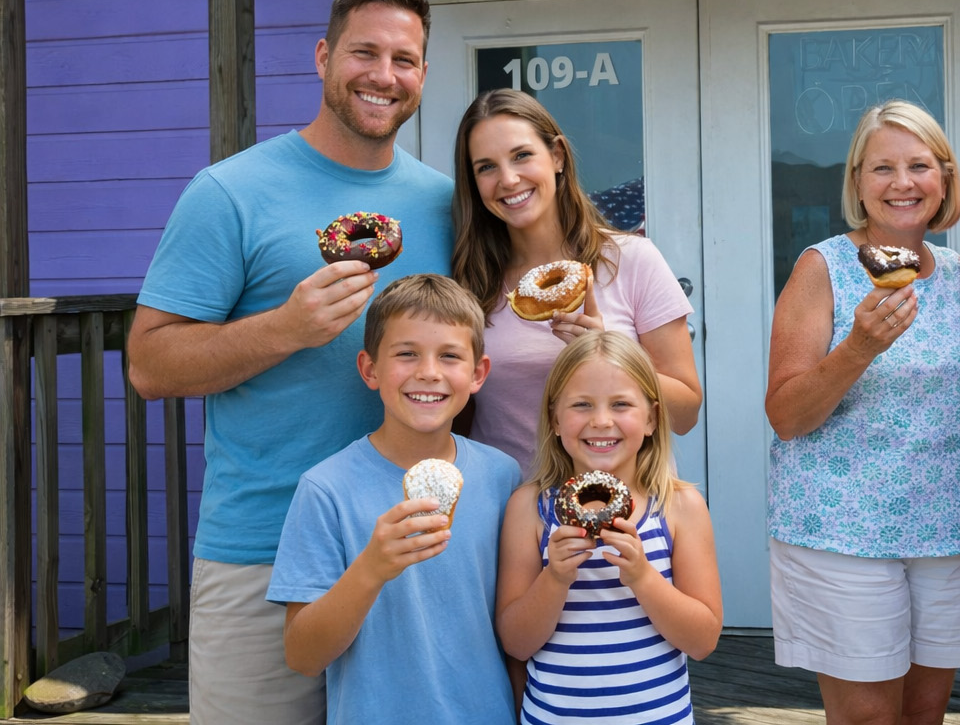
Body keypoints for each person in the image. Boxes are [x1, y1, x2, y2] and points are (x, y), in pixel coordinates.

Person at [126, 0, 453, 724]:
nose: (383, 75)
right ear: (321, 57)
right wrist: (287, 328)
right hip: (263, 550)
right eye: (364, 52)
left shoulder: (446, 202)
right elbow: (148, 366)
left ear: (424, 76)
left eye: (404, 59)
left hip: (414, 542)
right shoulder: (229, 192)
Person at [765, 100, 960, 725]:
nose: (901, 183)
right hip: (843, 533)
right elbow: (785, 413)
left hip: (945, 529)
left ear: (943, 178)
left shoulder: (958, 274)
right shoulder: (824, 267)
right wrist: (859, 347)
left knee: (926, 715)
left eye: (919, 165)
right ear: (858, 182)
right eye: (881, 167)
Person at [268, 274, 519, 723]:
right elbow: (303, 656)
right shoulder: (326, 489)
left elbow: (514, 626)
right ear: (370, 369)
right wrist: (371, 569)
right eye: (406, 354)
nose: (428, 372)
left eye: (449, 356)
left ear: (478, 373)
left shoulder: (503, 476)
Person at [451, 88, 699, 476]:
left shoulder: (629, 259)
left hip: (619, 512)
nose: (509, 179)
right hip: (514, 513)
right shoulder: (471, 281)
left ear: (557, 156)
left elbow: (686, 413)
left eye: (522, 155)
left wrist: (608, 354)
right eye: (486, 167)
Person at [496, 330, 722, 725]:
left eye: (621, 404)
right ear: (554, 419)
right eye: (581, 405)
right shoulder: (530, 510)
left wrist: (642, 577)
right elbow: (516, 643)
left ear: (651, 418)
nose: (601, 421)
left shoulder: (680, 507)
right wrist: (555, 579)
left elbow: (702, 641)